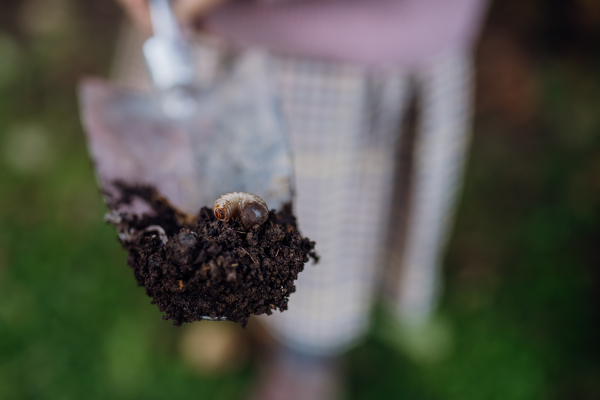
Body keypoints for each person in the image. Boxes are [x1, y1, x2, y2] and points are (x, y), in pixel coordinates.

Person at [114, 0, 489, 398]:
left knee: (317, 250)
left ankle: (305, 357)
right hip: (202, 38)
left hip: (342, 51)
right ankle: (223, 298)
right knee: (211, 199)